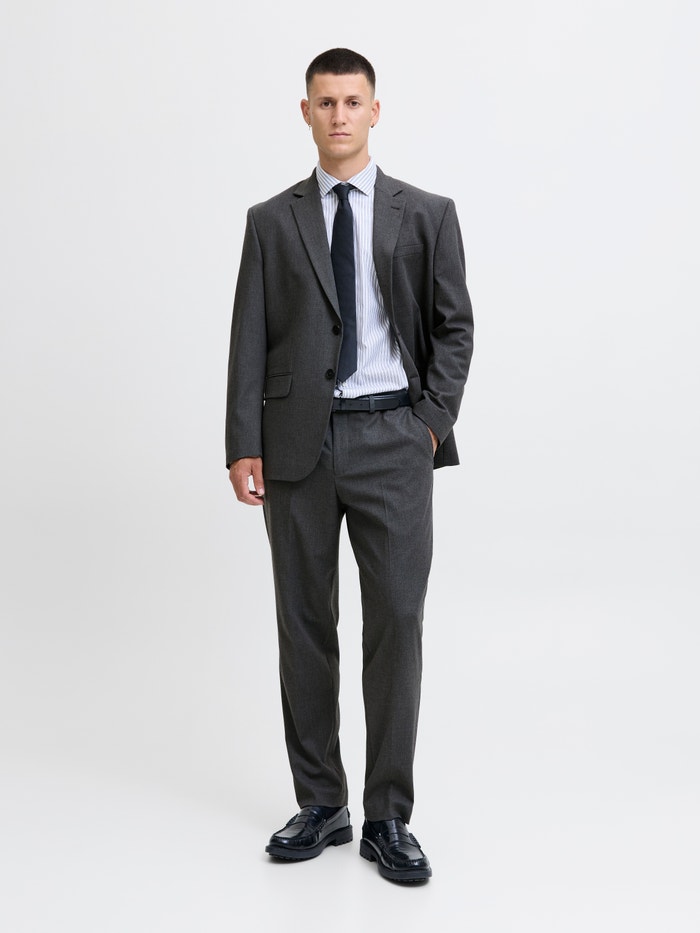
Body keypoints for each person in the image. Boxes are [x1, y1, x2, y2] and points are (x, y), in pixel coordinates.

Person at [225, 47, 473, 883]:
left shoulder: (427, 213)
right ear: (306, 112)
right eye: (324, 102)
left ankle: (388, 815)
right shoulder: (271, 220)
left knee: (396, 621)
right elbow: (249, 335)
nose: (338, 115)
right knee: (304, 622)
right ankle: (322, 802)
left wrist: (428, 425)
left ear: (375, 110)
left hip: (393, 439)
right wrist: (243, 440)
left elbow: (455, 326)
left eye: (352, 101)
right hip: (297, 445)